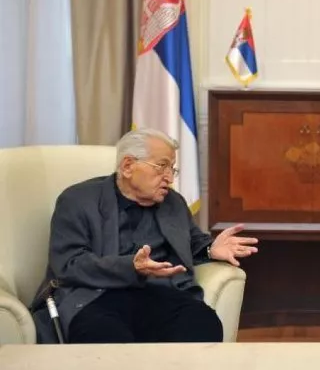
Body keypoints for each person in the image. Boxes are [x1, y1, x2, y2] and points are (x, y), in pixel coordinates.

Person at [31, 128, 258, 343]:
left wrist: (211, 249)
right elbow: (68, 264)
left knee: (203, 323)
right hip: (95, 296)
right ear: (128, 166)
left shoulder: (173, 202)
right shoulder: (78, 200)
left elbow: (192, 243)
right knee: (105, 336)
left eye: (172, 169)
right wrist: (131, 266)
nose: (169, 178)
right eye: (162, 166)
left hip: (160, 294)